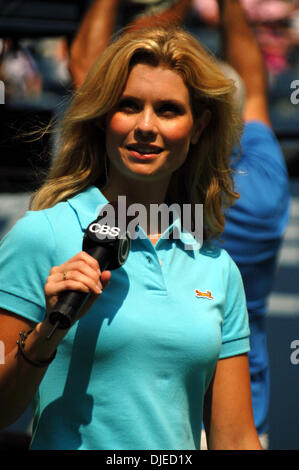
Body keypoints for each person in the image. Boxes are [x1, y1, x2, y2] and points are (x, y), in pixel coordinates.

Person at [0, 25, 262, 450]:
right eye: (128, 106)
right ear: (104, 117)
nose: (145, 126)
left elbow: (234, 439)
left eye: (168, 110)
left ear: (198, 128)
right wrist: (50, 328)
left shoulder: (217, 269)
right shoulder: (41, 234)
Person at [210, 0, 290, 449]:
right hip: (245, 427)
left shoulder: (163, 193)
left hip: (159, 428)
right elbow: (254, 87)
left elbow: (87, 70)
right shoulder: (265, 179)